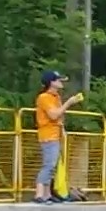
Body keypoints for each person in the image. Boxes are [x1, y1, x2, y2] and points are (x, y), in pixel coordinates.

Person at [33, 71, 82, 203]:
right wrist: (69, 103)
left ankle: (47, 195)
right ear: (51, 82)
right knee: (48, 165)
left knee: (52, 165)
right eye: (58, 80)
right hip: (48, 135)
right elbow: (53, 115)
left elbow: (58, 118)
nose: (61, 82)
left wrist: (62, 130)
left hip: (55, 135)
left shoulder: (55, 97)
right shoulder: (44, 97)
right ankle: (39, 194)